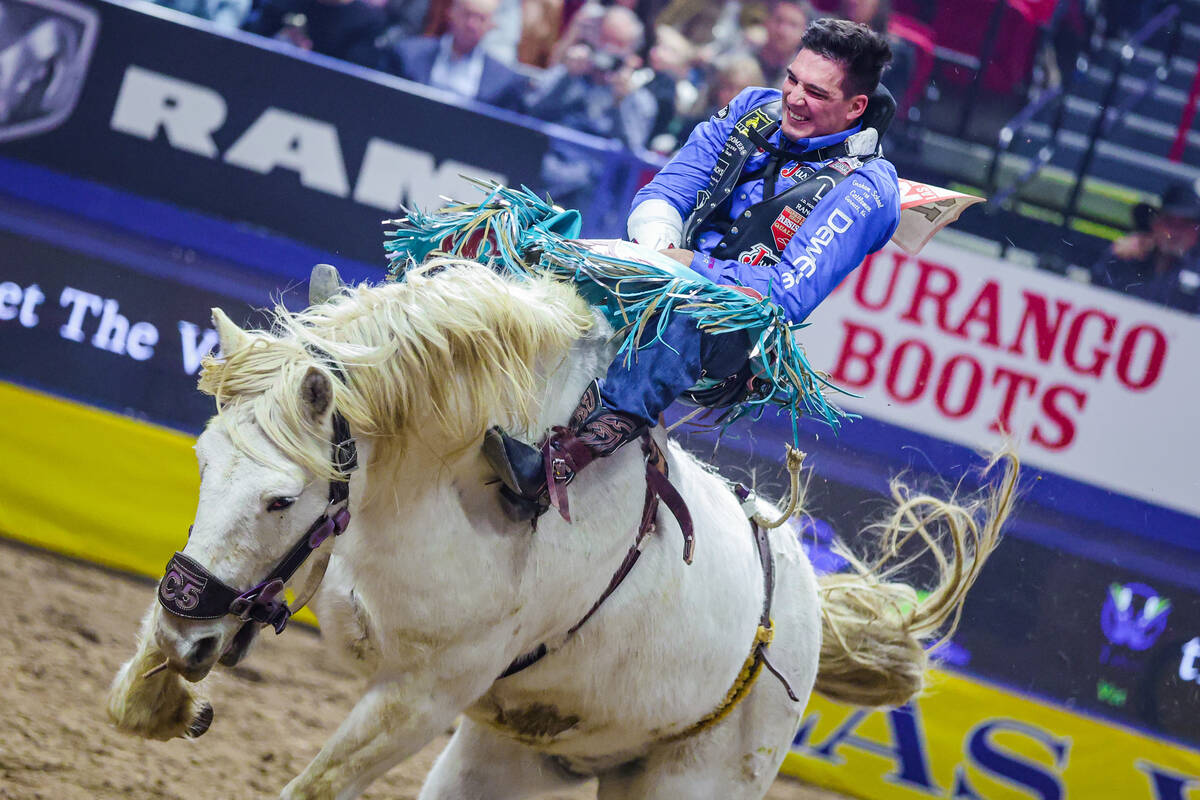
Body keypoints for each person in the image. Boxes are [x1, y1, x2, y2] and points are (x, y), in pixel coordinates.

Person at [485, 17, 901, 520]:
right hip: (658, 266)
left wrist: (684, 266)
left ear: (856, 107)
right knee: (531, 231)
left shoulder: (868, 187)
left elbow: (783, 297)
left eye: (815, 92)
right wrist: (656, 251)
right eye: (792, 79)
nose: (793, 97)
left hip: (731, 332)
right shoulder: (751, 106)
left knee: (688, 312)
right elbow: (667, 190)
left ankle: (568, 457)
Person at [379, 0, 528, 110]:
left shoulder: (504, 81)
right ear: (451, 13)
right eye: (467, 14)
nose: (471, 24)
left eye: (481, 18)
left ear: (492, 25)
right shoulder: (407, 54)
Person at [1091, 182, 1200, 314]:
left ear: (1196, 232)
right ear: (1155, 224)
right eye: (1169, 222)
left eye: (1185, 225)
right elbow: (1094, 290)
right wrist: (1113, 254)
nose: (1175, 232)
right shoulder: (1130, 254)